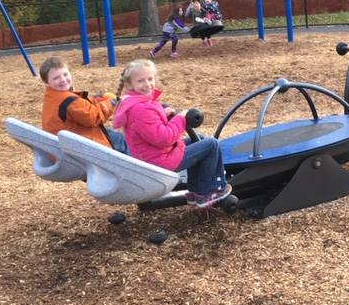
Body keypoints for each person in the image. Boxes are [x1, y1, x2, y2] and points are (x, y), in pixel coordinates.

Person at [112, 59, 231, 208]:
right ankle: (209, 190)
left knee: (199, 139)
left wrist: (164, 113)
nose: (147, 84)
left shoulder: (136, 103)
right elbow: (164, 138)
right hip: (159, 161)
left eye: (150, 79)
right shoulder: (140, 110)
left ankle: (195, 191)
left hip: (153, 155)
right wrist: (180, 119)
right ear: (130, 85)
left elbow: (151, 128)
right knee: (212, 145)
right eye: (140, 81)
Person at [39, 57, 129, 154]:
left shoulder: (53, 96)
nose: (63, 80)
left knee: (111, 133)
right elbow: (94, 117)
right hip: (80, 149)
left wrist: (97, 100)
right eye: (56, 78)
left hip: (66, 144)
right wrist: (111, 103)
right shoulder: (68, 100)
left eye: (65, 74)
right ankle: (138, 167)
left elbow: (81, 108)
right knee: (124, 141)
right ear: (47, 82)